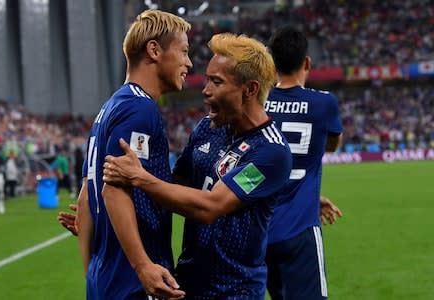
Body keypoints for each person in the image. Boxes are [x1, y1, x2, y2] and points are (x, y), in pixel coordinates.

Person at [103, 33, 292, 299]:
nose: (205, 91)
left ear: (249, 89)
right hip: (186, 284)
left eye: (216, 82)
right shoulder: (207, 128)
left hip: (235, 291)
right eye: (207, 80)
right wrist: (104, 217)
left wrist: (140, 177)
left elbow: (209, 207)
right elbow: (172, 187)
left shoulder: (271, 152)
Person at [76, 9, 192, 300]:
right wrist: (142, 266)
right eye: (184, 51)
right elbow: (114, 189)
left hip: (106, 279)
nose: (188, 62)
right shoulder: (140, 109)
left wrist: (92, 272)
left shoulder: (109, 108)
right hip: (135, 283)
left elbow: (85, 198)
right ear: (154, 50)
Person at [263, 26, 343, 300]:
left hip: (260, 230)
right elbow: (332, 144)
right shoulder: (324, 103)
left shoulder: (257, 103)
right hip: (300, 229)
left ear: (272, 64)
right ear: (307, 62)